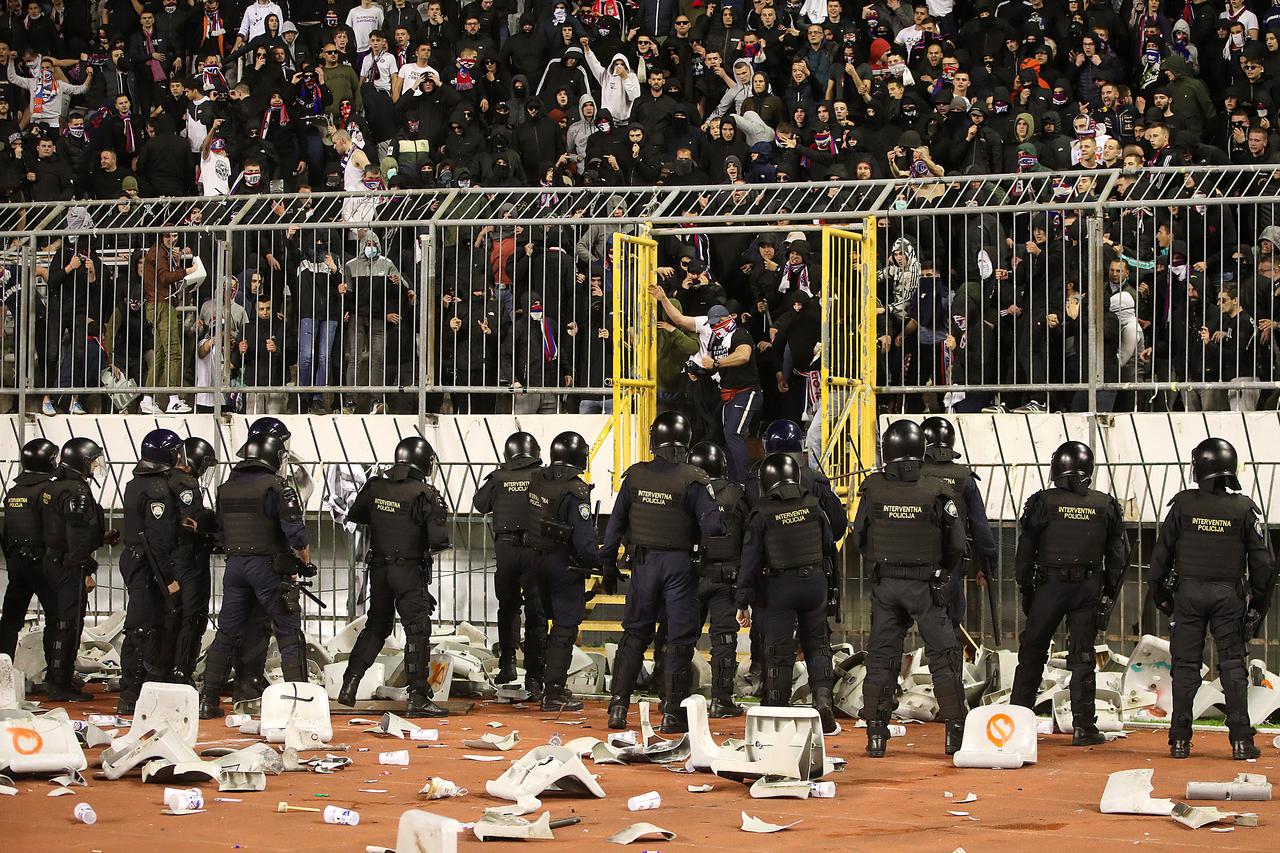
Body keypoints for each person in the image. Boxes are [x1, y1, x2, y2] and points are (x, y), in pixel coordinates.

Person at [1148, 438, 1275, 760]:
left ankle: (1179, 740)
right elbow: (1263, 565)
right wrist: (1258, 608)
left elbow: (1161, 555)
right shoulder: (1244, 509)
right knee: (1233, 666)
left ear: (1199, 468)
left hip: (1188, 594)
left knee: (1185, 667)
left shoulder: (1182, 506)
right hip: (1228, 595)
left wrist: (1160, 593)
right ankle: (1242, 742)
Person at [600, 411, 724, 733]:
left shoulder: (635, 476)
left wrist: (609, 566)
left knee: (634, 635)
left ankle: (617, 707)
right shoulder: (694, 478)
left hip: (643, 565)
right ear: (685, 442)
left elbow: (614, 527)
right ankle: (671, 713)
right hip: (679, 567)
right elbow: (713, 526)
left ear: (654, 441)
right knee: (679, 640)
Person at [852, 419, 967, 758]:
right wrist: (943, 574)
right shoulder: (937, 491)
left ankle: (876, 736)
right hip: (926, 585)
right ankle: (954, 735)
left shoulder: (872, 489)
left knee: (882, 658)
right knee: (944, 657)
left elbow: (859, 537)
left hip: (887, 584)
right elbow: (958, 544)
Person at [1010, 441, 1130, 746]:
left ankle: (1018, 720)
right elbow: (1119, 554)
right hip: (1088, 587)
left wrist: (1025, 587)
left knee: (1032, 652)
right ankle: (1083, 727)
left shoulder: (1042, 502)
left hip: (1049, 585)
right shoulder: (1105, 505)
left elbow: (1025, 551)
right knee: (1083, 656)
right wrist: (1108, 593)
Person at [200, 432, 311, 719]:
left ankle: (208, 700)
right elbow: (295, 533)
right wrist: (304, 562)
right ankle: (300, 702)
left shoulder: (226, 488)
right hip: (268, 567)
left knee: (227, 633)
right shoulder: (277, 486)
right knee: (288, 631)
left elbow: (220, 531)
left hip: (235, 566)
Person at [338, 436, 451, 718]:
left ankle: (349, 684)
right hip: (409, 570)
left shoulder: (376, 486)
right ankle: (418, 696)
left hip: (379, 570)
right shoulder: (426, 494)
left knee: (376, 627)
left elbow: (356, 514)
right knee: (417, 629)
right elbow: (439, 540)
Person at [736, 452, 839, 735]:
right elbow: (830, 547)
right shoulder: (814, 506)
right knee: (818, 645)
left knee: (778, 652)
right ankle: (823, 701)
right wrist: (831, 590)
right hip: (815, 583)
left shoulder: (761, 513)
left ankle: (778, 711)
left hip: (778, 588)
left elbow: (750, 561)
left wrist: (743, 601)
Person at [525, 431, 600, 712]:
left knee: (539, 623)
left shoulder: (537, 479)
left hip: (535, 560)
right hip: (563, 564)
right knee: (565, 628)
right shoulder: (576, 490)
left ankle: (535, 680)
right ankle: (553, 690)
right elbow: (583, 541)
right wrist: (598, 559)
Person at [472, 430, 546, 698]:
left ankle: (507, 665)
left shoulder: (498, 477)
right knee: (537, 614)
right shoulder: (541, 475)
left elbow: (480, 504)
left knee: (508, 609)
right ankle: (535, 676)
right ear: (535, 452)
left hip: (505, 550)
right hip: (535, 551)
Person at [117, 428, 185, 715]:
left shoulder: (136, 483)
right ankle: (132, 695)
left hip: (136, 559)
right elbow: (156, 540)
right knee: (143, 628)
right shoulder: (158, 489)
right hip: (149, 565)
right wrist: (169, 578)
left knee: (149, 625)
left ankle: (145, 687)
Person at [39, 437, 112, 702]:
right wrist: (86, 569)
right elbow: (77, 535)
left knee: (57, 623)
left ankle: (58, 677)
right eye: (92, 461)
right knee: (68, 625)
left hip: (53, 562)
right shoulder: (76, 492)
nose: (95, 466)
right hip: (69, 567)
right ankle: (60, 683)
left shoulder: (54, 486)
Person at [919, 416, 998, 634]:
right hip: (951, 562)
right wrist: (987, 565)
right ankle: (950, 666)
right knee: (950, 625)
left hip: (913, 563)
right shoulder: (965, 478)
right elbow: (980, 527)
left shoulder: (913, 475)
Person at [689, 441, 748, 718]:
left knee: (681, 639)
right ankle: (721, 701)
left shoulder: (688, 492)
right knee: (724, 641)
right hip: (726, 578)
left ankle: (672, 699)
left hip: (691, 576)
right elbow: (749, 539)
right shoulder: (737, 495)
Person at [165, 437, 218, 686]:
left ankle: (166, 669)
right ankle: (181, 670)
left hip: (170, 557)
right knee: (193, 616)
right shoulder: (186, 484)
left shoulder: (163, 479)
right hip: (188, 558)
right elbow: (190, 521)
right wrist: (209, 523)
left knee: (172, 615)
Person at [0, 439, 58, 661]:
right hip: (42, 563)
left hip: (17, 565)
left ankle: (3, 668)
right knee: (57, 618)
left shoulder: (14, 491)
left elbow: (7, 533)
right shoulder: (47, 491)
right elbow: (54, 531)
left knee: (10, 620)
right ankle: (55, 673)